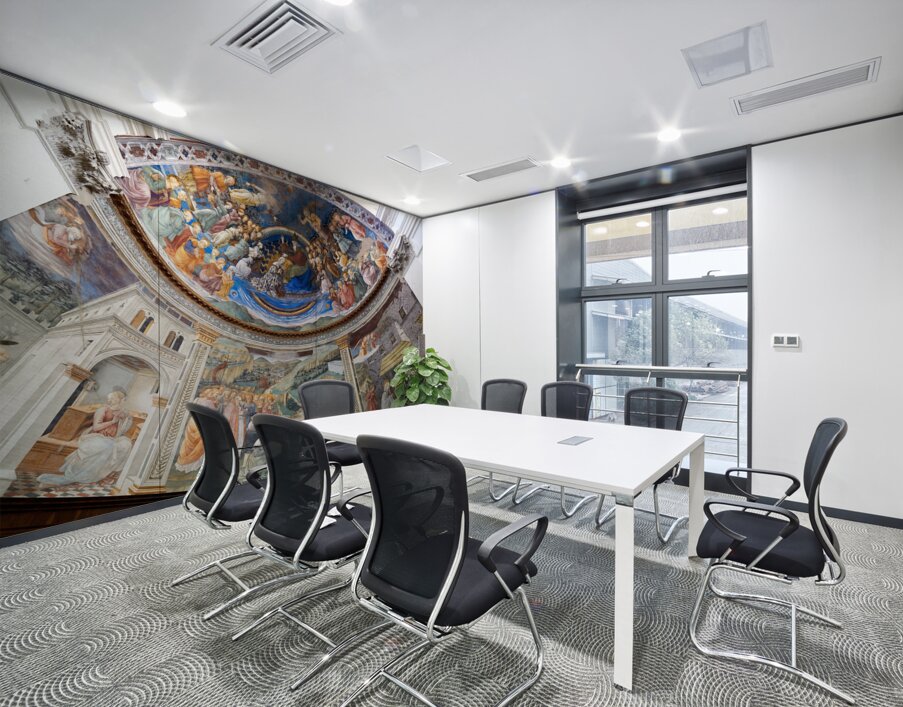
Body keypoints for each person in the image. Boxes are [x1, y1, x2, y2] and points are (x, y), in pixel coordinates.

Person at [38, 390, 133, 485]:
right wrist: (112, 422)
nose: (111, 400)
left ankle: (105, 474)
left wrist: (126, 419)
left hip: (112, 438)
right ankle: (89, 475)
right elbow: (96, 427)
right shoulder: (103, 410)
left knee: (127, 444)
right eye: (111, 398)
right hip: (97, 436)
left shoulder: (123, 413)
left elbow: (123, 428)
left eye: (114, 398)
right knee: (107, 447)